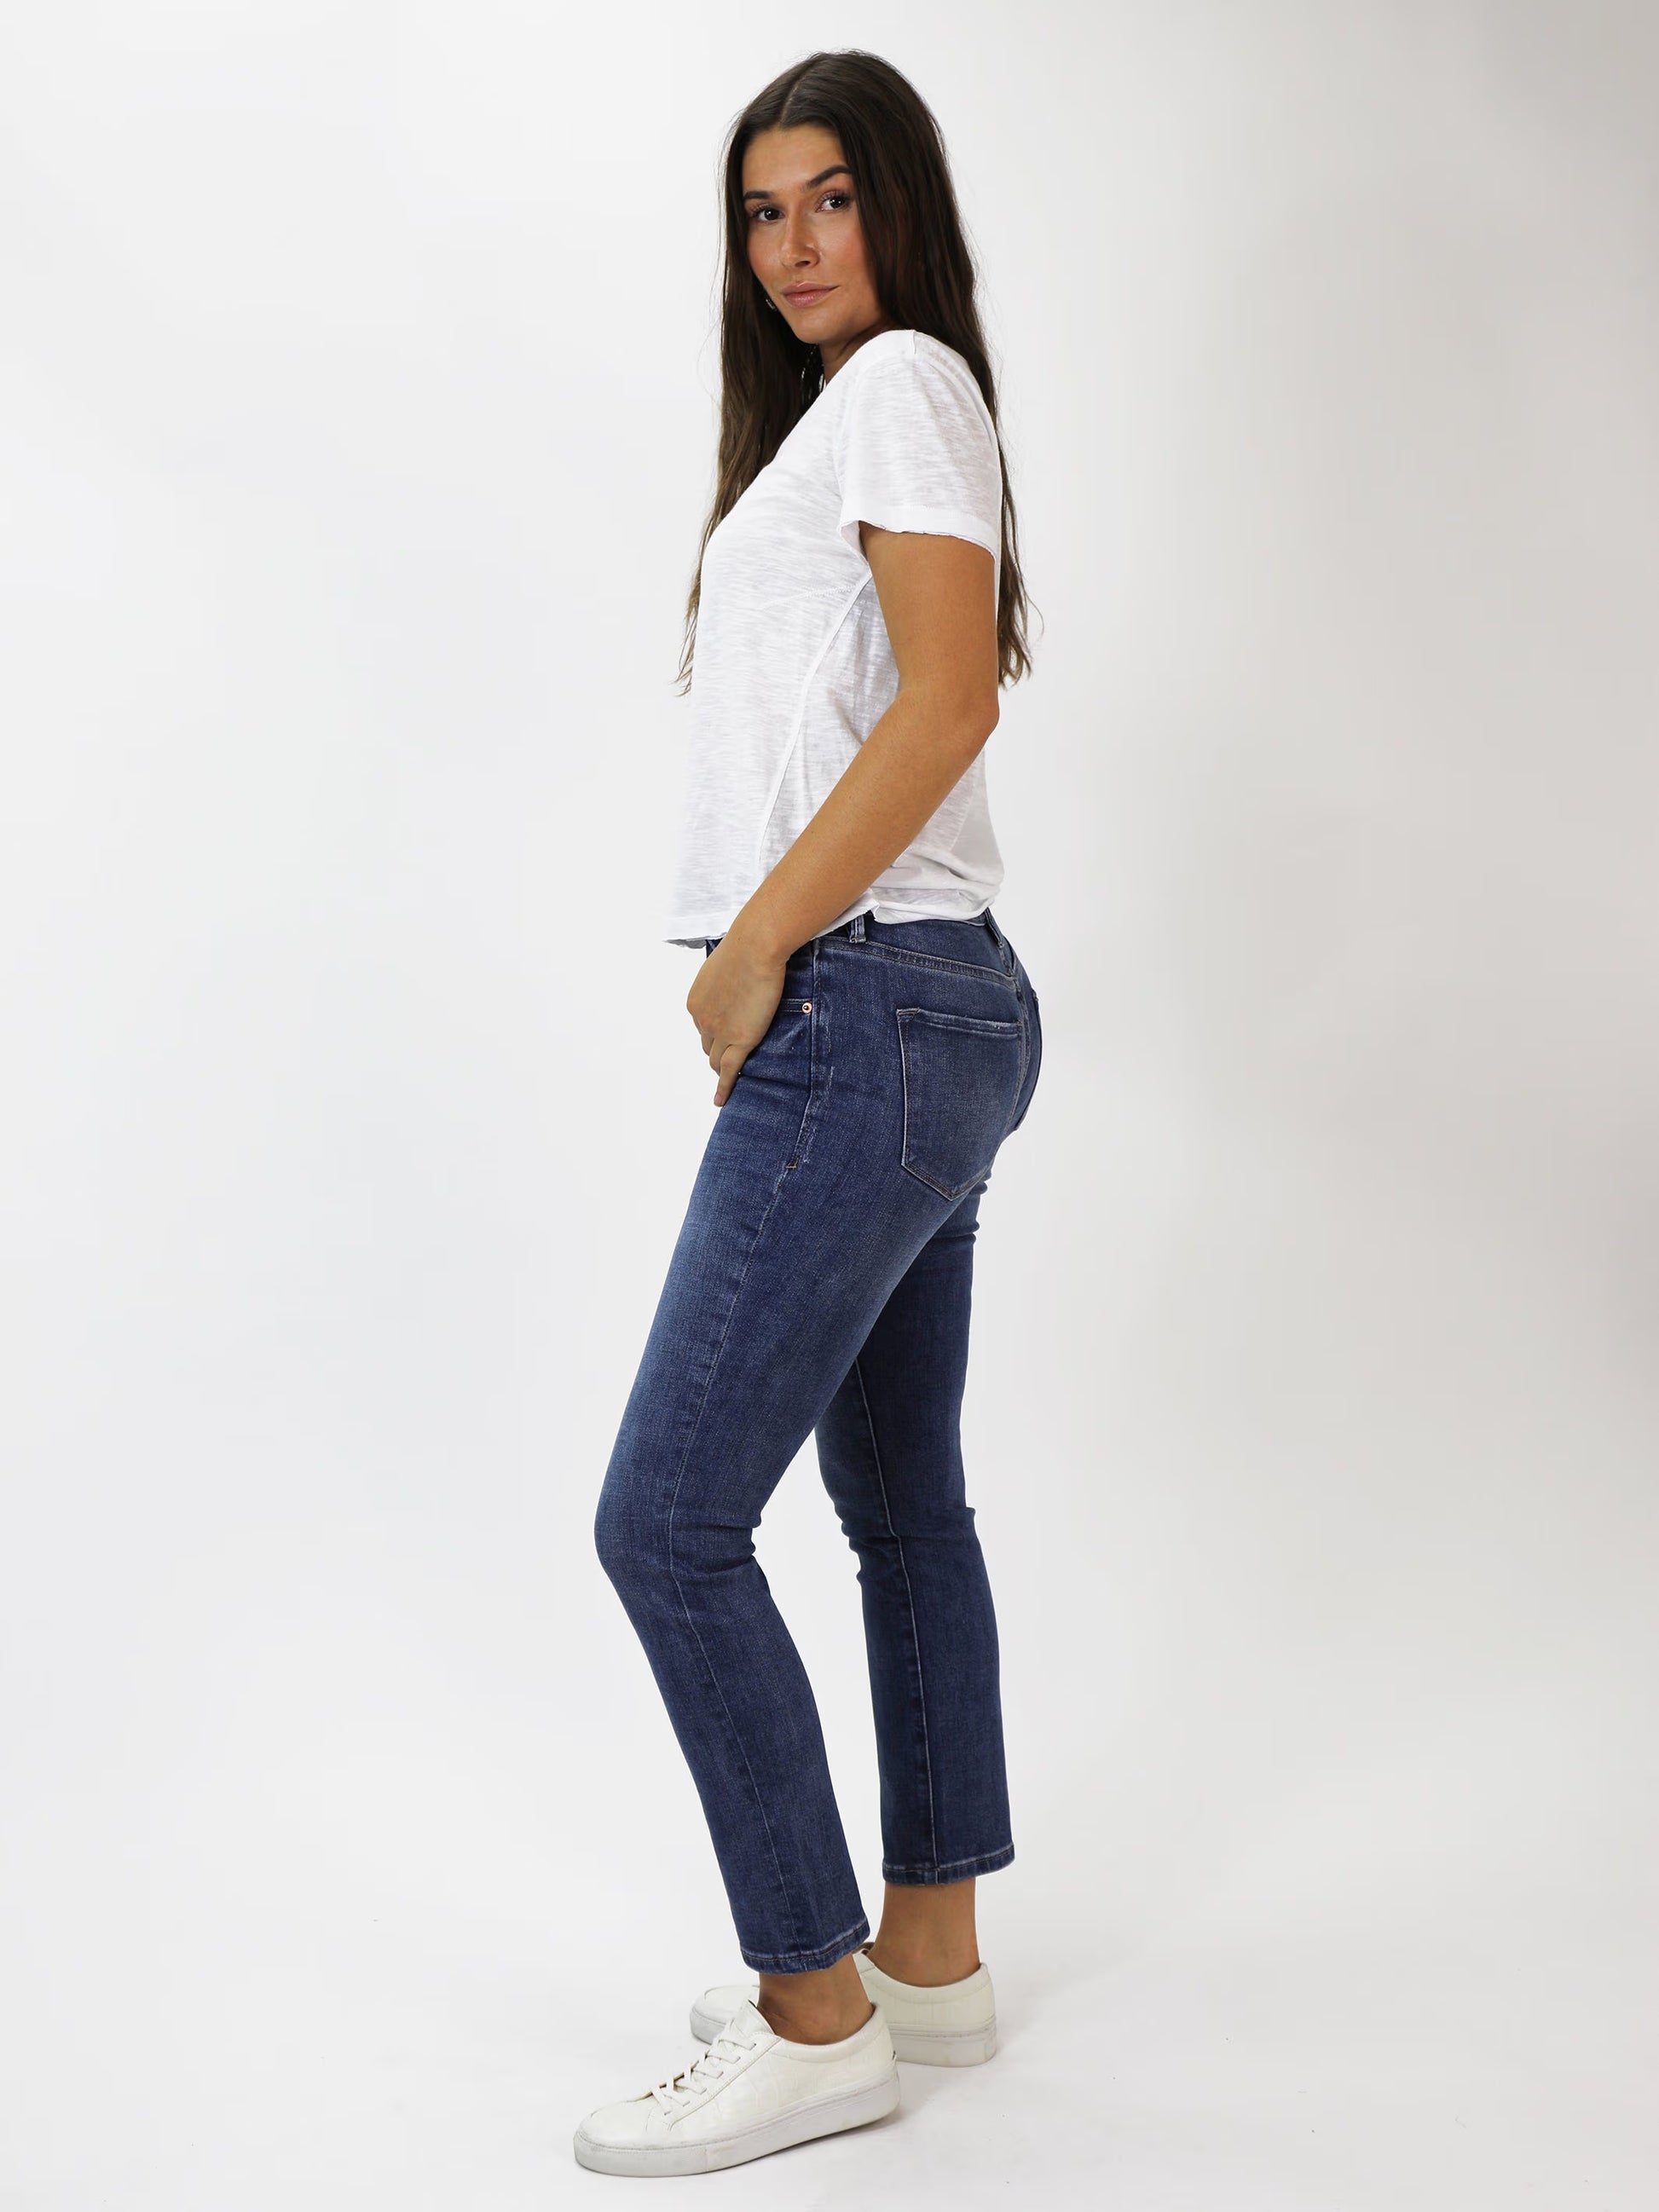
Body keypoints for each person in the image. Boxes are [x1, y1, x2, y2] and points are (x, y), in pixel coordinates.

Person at [575, 47, 1043, 2178]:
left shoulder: (904, 386)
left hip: (863, 1000)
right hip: (929, 1002)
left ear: (898, 209)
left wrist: (758, 943)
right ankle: (924, 1959)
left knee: (666, 1519)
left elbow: (947, 699)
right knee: (897, 1500)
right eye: (762, 212)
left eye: (830, 199)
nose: (791, 245)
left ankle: (812, 2007)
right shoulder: (843, 415)